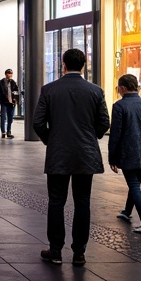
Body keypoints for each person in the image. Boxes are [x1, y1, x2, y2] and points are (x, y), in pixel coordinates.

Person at [33, 48, 110, 267]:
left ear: (63, 65)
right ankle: (79, 253)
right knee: (83, 202)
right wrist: (89, 136)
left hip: (59, 154)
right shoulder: (95, 91)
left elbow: (38, 122)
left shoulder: (49, 90)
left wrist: (51, 139)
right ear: (84, 66)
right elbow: (104, 123)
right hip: (86, 155)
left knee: (56, 201)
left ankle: (56, 250)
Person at [108, 74, 141, 234]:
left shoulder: (119, 106)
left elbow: (115, 134)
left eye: (118, 87)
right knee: (135, 184)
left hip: (128, 153)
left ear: (123, 88)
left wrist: (112, 158)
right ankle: (127, 211)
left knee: (134, 185)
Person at [0, 69, 20, 139]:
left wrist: (16, 100)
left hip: (11, 103)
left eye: (11, 73)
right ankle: (3, 131)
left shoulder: (13, 83)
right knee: (3, 117)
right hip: (4, 102)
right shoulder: (0, 83)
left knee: (10, 118)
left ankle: (9, 131)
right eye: (9, 73)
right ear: (6, 74)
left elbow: (16, 92)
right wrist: (1, 98)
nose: (10, 75)